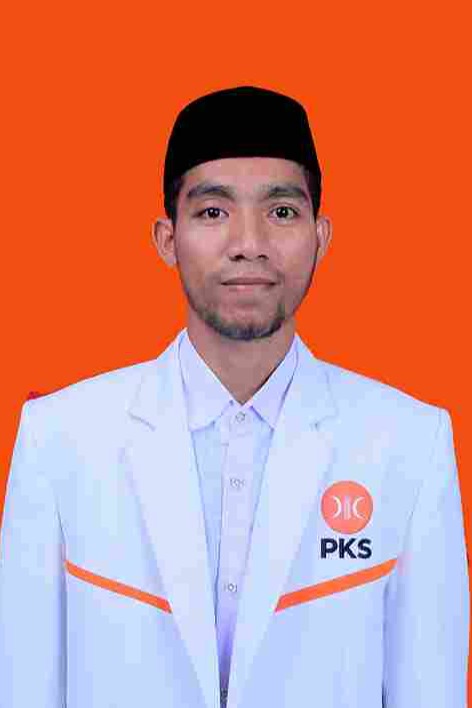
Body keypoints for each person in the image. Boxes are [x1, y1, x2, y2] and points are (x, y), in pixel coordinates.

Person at [0, 85, 469, 708]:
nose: (249, 242)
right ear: (166, 239)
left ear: (321, 236)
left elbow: (431, 691)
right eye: (213, 212)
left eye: (282, 211)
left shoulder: (409, 444)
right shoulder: (60, 438)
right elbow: (25, 688)